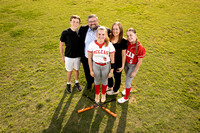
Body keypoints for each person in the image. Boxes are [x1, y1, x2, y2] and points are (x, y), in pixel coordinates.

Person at [78, 14, 111, 90]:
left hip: (99, 58)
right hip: (86, 56)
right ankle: (89, 83)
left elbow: (113, 40)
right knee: (87, 71)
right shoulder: (83, 29)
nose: (92, 23)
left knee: (101, 71)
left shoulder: (105, 30)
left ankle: (105, 84)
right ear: (88, 22)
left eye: (94, 21)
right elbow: (80, 42)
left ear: (98, 21)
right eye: (90, 21)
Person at [88, 26, 115, 103]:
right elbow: (89, 58)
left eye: (103, 34)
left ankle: (103, 94)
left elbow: (112, 59)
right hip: (96, 65)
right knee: (96, 80)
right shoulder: (92, 44)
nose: (101, 36)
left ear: (106, 35)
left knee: (104, 81)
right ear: (96, 34)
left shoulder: (109, 45)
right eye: (99, 34)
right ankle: (97, 94)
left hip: (106, 66)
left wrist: (111, 71)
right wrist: (91, 70)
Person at [118, 28, 145, 103]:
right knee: (128, 80)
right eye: (128, 35)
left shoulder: (140, 47)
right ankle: (128, 89)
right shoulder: (127, 42)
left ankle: (126, 98)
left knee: (127, 82)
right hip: (126, 64)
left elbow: (139, 61)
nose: (129, 37)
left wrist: (134, 71)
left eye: (131, 35)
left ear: (135, 35)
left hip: (133, 66)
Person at [59, 15, 82, 93]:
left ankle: (76, 82)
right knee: (69, 71)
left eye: (77, 22)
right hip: (68, 56)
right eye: (73, 22)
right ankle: (68, 84)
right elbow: (61, 45)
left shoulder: (79, 32)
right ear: (70, 22)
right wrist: (62, 56)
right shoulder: (65, 32)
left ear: (79, 23)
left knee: (77, 70)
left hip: (77, 56)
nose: (75, 23)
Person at [106, 22, 127, 95]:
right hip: (109, 61)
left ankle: (115, 90)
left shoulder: (123, 41)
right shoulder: (109, 37)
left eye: (117, 29)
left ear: (120, 30)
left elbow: (124, 55)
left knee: (117, 77)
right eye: (113, 29)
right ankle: (110, 85)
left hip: (118, 62)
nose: (115, 31)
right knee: (108, 74)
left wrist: (123, 65)